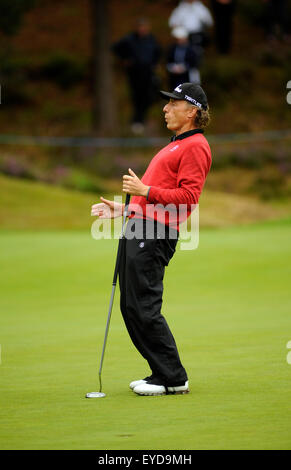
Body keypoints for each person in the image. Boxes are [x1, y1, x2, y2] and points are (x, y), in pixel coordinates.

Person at [91, 82, 212, 396]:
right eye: (167, 103)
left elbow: (187, 197)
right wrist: (125, 207)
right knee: (131, 305)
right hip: (139, 226)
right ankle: (162, 372)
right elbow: (158, 194)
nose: (166, 108)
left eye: (173, 103)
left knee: (143, 305)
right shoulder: (175, 144)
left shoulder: (195, 145)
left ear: (192, 111)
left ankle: (173, 377)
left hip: (154, 234)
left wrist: (144, 191)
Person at [112, 18, 161, 135]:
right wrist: (125, 59)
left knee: (149, 95)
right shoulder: (129, 39)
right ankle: (137, 121)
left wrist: (155, 63)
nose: (143, 30)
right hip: (134, 73)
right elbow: (115, 48)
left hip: (148, 72)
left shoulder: (151, 39)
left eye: (145, 27)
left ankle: (142, 119)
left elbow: (158, 52)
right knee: (137, 96)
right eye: (140, 27)